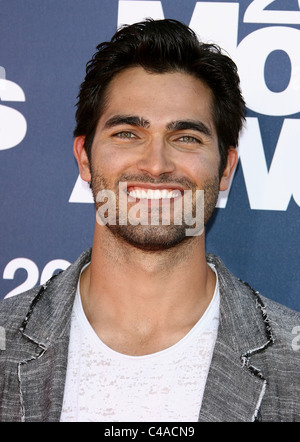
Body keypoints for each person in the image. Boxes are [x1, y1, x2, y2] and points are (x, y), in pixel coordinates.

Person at [0, 19, 299, 423]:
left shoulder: (292, 361)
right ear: (84, 158)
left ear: (226, 168)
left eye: (186, 138)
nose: (156, 165)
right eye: (127, 133)